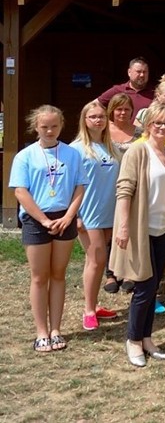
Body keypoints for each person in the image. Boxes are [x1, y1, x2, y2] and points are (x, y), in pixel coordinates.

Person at [10, 105, 88, 352]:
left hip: (64, 218)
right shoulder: (25, 156)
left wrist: (68, 216)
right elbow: (20, 191)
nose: (50, 130)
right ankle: (41, 331)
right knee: (39, 276)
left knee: (58, 275)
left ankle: (56, 329)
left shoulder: (72, 154)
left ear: (61, 126)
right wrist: (43, 220)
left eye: (54, 126)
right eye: (45, 126)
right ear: (36, 127)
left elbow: (79, 187)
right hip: (37, 220)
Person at [110, 102, 165, 367]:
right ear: (148, 125)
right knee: (143, 286)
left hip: (164, 227)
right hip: (142, 228)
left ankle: (147, 338)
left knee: (152, 288)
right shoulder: (138, 152)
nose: (163, 127)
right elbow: (124, 190)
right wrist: (124, 226)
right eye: (157, 123)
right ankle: (133, 340)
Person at [71, 101, 121, 331]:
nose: (98, 120)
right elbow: (69, 185)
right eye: (93, 117)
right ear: (84, 120)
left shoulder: (112, 148)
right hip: (88, 213)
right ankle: (89, 310)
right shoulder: (76, 149)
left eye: (101, 116)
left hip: (109, 212)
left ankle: (95, 304)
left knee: (101, 261)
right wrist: (75, 215)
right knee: (96, 259)